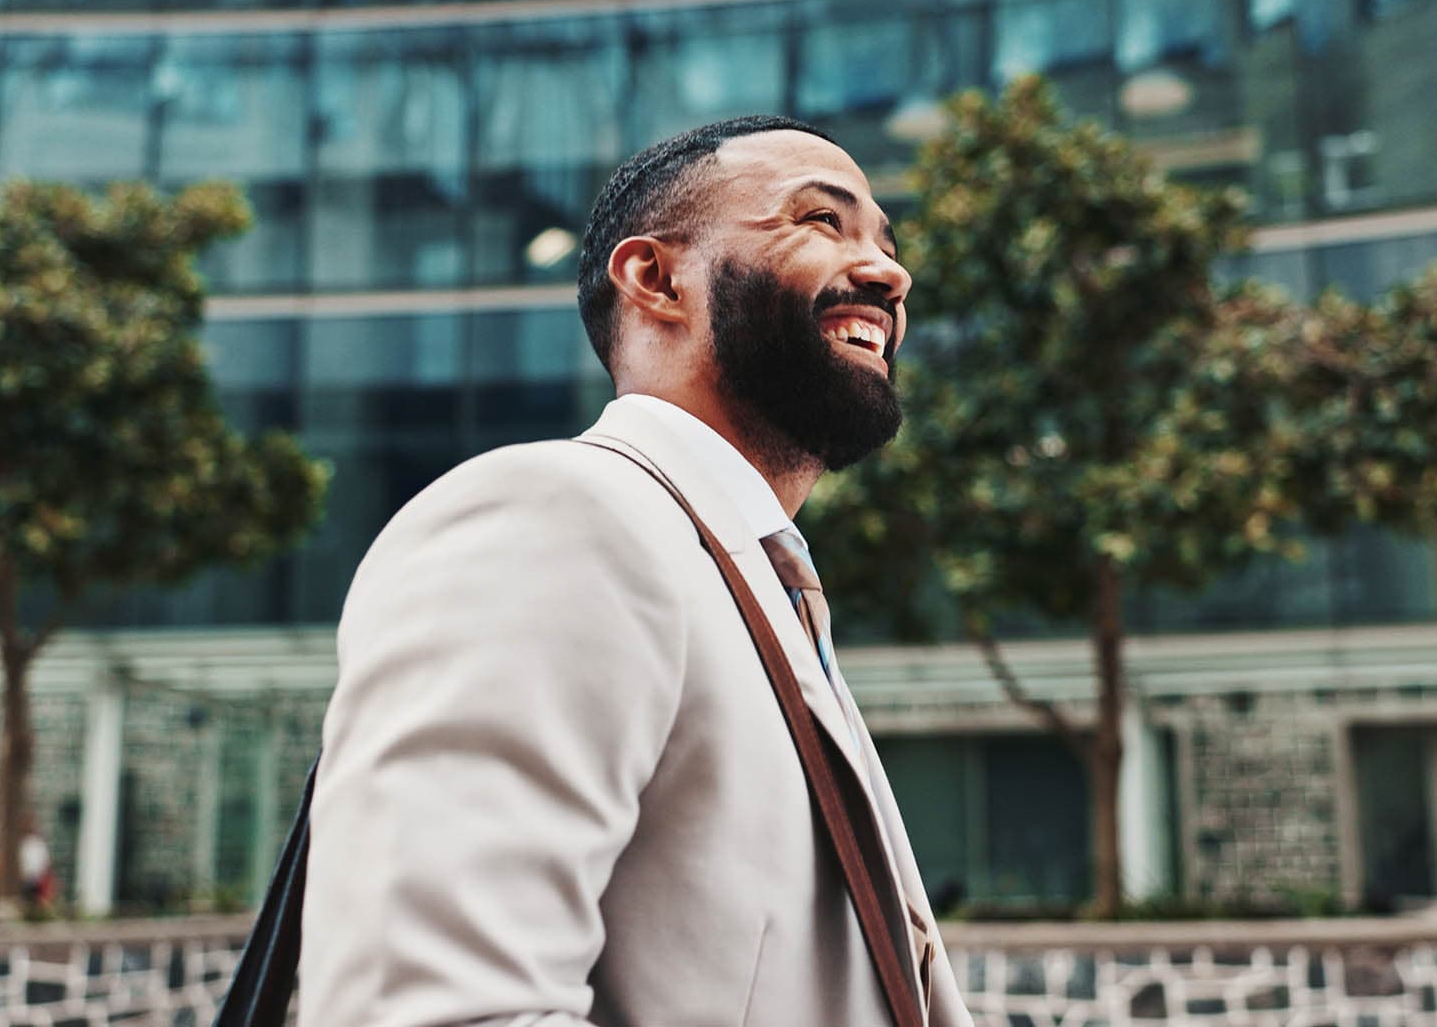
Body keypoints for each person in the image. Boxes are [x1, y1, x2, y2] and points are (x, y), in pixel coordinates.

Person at [299, 116, 972, 1026]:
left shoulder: (751, 579)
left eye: (887, 243)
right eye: (822, 220)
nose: (890, 274)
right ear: (655, 278)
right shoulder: (556, 519)